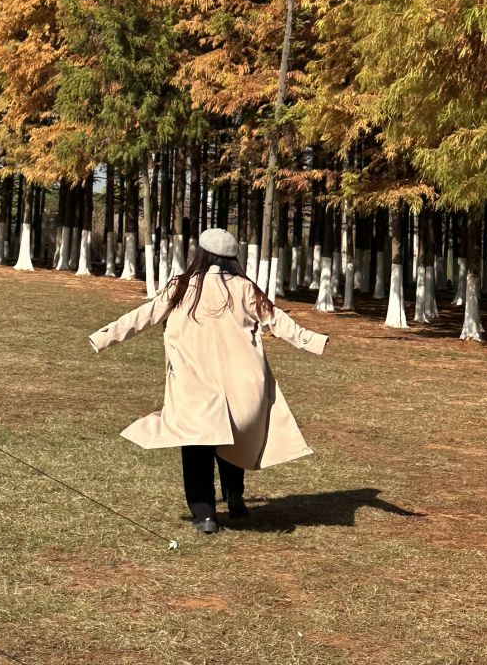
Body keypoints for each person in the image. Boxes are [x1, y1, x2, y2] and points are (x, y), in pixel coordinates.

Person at [88, 226, 328, 534]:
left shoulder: (182, 285)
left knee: (197, 446)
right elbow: (278, 322)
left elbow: (143, 316)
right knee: (230, 437)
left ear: (200, 253)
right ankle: (235, 497)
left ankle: (205, 516)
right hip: (243, 385)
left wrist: (104, 337)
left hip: (194, 384)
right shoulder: (245, 288)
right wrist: (314, 341)